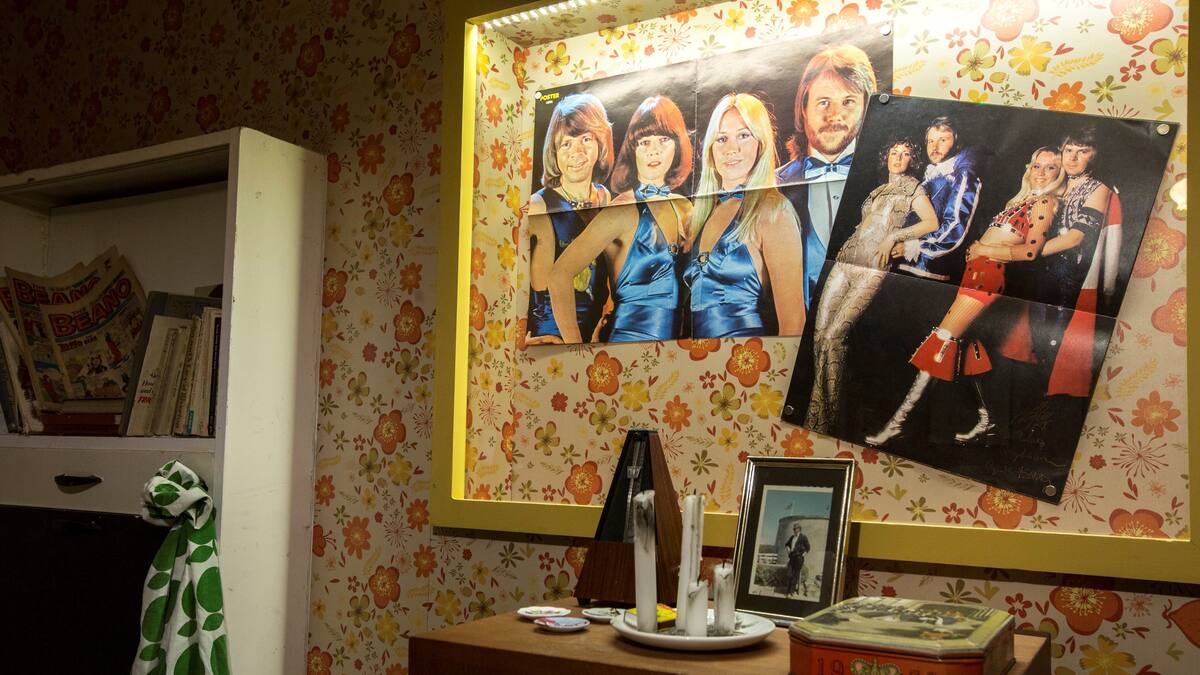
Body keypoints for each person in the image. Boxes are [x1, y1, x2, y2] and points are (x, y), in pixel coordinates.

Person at [866, 146, 1067, 446]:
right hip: (976, 273)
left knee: (941, 341)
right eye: (1037, 165)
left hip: (989, 278)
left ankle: (898, 424)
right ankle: (989, 421)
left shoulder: (1045, 202)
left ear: (1059, 174)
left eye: (1051, 168)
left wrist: (985, 248)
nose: (1041, 172)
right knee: (969, 348)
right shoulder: (1021, 200)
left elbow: (1030, 252)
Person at [805, 139, 938, 434]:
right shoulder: (877, 190)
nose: (898, 157)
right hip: (845, 260)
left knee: (833, 337)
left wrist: (894, 237)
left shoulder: (913, 188)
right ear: (886, 156)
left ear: (912, 160)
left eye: (905, 153)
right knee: (818, 337)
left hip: (872, 267)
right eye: (894, 152)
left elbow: (931, 222)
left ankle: (827, 423)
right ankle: (818, 417)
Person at [548, 95, 693, 343]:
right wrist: (575, 350)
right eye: (645, 142)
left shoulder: (684, 207)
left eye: (664, 139)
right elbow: (559, 274)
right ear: (632, 149)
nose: (654, 150)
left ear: (678, 145)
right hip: (626, 347)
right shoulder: (622, 209)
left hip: (674, 352)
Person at [683, 93, 806, 338]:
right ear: (710, 150)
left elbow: (794, 322)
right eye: (722, 139)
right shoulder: (700, 214)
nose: (731, 149)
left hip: (747, 357)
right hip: (693, 359)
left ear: (761, 144)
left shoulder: (773, 211)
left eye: (743, 135)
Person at [776, 45, 878, 308]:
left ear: (866, 107)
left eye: (848, 101)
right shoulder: (772, 187)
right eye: (823, 102)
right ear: (803, 108)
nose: (834, 115)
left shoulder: (887, 179)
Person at [525, 93, 615, 345]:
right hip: (552, 340)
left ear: (601, 144)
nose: (577, 151)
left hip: (593, 339)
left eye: (586, 139)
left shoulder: (604, 197)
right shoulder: (539, 204)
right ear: (554, 151)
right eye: (566, 143)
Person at [893, 116, 981, 282]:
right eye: (930, 141)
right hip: (900, 265)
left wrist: (914, 246)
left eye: (943, 140)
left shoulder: (962, 174)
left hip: (929, 271)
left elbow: (955, 226)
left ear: (956, 142)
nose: (934, 147)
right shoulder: (927, 174)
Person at [783, 522, 810, 597]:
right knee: (789, 574)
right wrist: (788, 550)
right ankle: (788, 591)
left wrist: (802, 555)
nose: (795, 530)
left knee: (795, 575)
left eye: (796, 529)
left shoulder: (803, 537)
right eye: (794, 529)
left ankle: (791, 592)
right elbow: (786, 544)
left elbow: (808, 548)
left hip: (798, 558)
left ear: (799, 529)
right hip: (792, 558)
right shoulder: (792, 537)